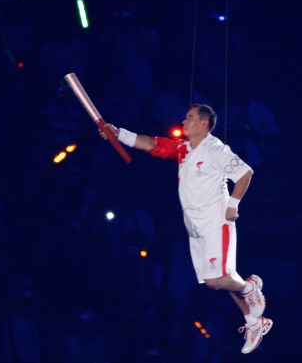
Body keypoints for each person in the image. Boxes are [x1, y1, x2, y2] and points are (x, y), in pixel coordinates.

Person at [100, 103, 272, 354]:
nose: (183, 121)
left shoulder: (215, 149)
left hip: (216, 220)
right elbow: (149, 143)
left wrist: (233, 204)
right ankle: (254, 321)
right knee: (221, 278)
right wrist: (117, 133)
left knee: (216, 281)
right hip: (194, 224)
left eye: (189, 118)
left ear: (204, 124)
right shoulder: (183, 148)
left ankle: (250, 288)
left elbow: (245, 173)